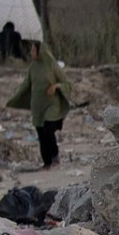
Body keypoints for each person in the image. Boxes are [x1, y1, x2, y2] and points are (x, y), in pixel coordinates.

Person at [5, 36, 70, 168]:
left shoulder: (52, 66)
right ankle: (46, 162)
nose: (31, 53)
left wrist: (56, 87)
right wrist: (13, 100)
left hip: (52, 105)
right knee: (41, 134)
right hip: (38, 106)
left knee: (48, 129)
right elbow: (25, 86)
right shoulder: (33, 68)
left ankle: (54, 155)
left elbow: (66, 83)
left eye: (33, 51)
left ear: (41, 52)